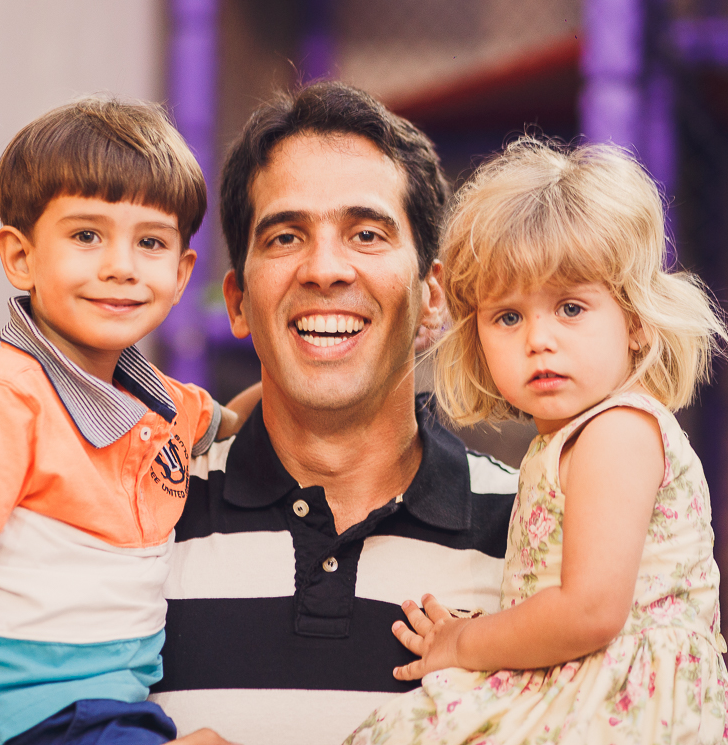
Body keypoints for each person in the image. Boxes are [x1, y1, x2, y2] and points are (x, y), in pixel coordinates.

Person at [147, 82, 518, 745]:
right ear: (236, 302)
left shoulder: (536, 531)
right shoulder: (139, 518)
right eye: (286, 236)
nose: (324, 268)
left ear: (432, 299)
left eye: (367, 233)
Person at [344, 138, 728, 744]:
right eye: (509, 317)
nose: (539, 340)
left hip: (617, 706)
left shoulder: (617, 431)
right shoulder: (566, 441)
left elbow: (589, 610)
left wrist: (465, 643)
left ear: (634, 322)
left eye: (571, 308)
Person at [0, 98, 257, 745]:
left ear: (181, 277)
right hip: (36, 717)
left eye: (150, 242)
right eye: (87, 235)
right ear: (21, 257)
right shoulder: (0, 397)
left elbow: (248, 422)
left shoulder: (165, 404)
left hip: (116, 711)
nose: (120, 265)